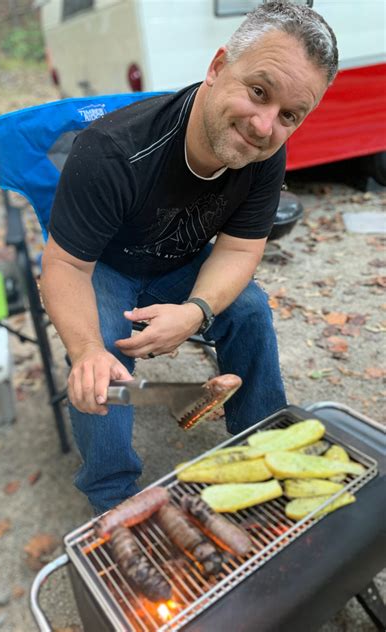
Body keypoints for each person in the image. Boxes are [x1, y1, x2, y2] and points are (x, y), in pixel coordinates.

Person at [40, 1, 338, 513]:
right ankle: (112, 498)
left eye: (289, 114)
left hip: (177, 263)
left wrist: (196, 310)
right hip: (104, 268)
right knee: (100, 365)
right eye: (259, 91)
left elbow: (241, 248)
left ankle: (264, 446)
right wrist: (86, 347)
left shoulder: (266, 153)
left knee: (247, 308)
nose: (265, 126)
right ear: (218, 67)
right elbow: (64, 267)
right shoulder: (111, 152)